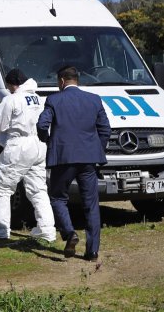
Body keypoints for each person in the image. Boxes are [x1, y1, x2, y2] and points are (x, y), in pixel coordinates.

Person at [37, 66, 111, 262]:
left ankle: (70, 234)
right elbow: (105, 129)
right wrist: (97, 148)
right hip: (89, 159)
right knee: (91, 205)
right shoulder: (94, 99)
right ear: (76, 80)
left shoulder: (53, 99)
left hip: (63, 158)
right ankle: (92, 251)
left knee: (58, 198)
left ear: (61, 81)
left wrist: (48, 140)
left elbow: (41, 125)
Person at [0, 69, 56, 242]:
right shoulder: (36, 98)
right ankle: (47, 229)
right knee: (38, 188)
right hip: (38, 144)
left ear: (12, 84)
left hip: (19, 145)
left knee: (1, 188)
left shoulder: (12, 99)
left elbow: (0, 124)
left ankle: (0, 228)